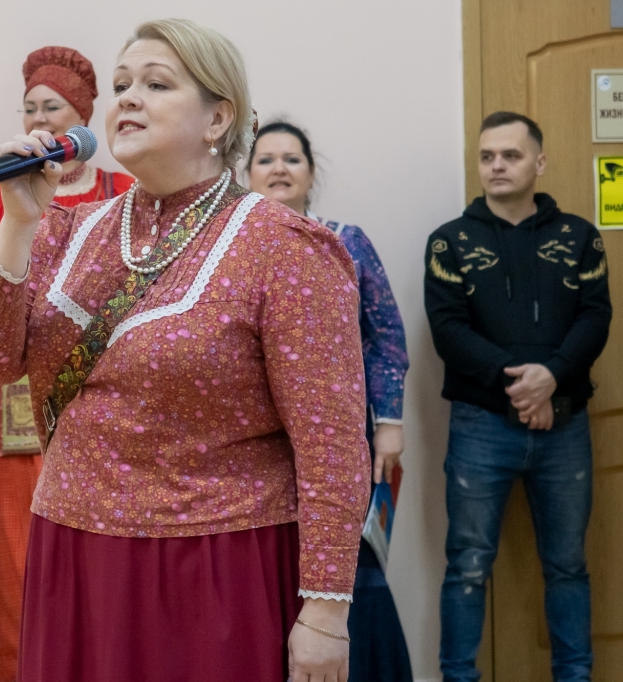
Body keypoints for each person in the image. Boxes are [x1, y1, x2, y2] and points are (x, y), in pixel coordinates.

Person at [0, 19, 370, 682]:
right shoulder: (68, 230)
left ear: (217, 118)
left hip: (214, 566)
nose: (128, 98)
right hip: (72, 557)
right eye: (122, 85)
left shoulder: (283, 247)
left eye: (156, 84)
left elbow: (332, 447)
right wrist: (18, 222)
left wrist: (325, 612)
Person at [0, 45, 132, 682]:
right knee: (19, 558)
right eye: (30, 109)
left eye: (52, 107)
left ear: (82, 117)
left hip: (112, 395)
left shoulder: (125, 194)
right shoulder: (2, 199)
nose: (39, 120)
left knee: (110, 560)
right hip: (19, 405)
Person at [425, 111, 611, 682]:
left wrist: (552, 376)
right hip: (481, 426)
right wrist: (527, 387)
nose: (497, 166)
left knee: (568, 566)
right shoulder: (449, 242)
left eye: (510, 155)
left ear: (539, 162)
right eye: (487, 156)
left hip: (565, 427)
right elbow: (449, 331)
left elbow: (595, 317)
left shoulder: (580, 237)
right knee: (467, 566)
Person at [247, 120, 413, 682]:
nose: (279, 169)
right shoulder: (233, 248)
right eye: (266, 159)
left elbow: (386, 338)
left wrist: (388, 422)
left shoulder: (348, 241)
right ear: (246, 174)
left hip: (340, 434)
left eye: (291, 159)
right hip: (259, 440)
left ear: (312, 172)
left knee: (346, 558)